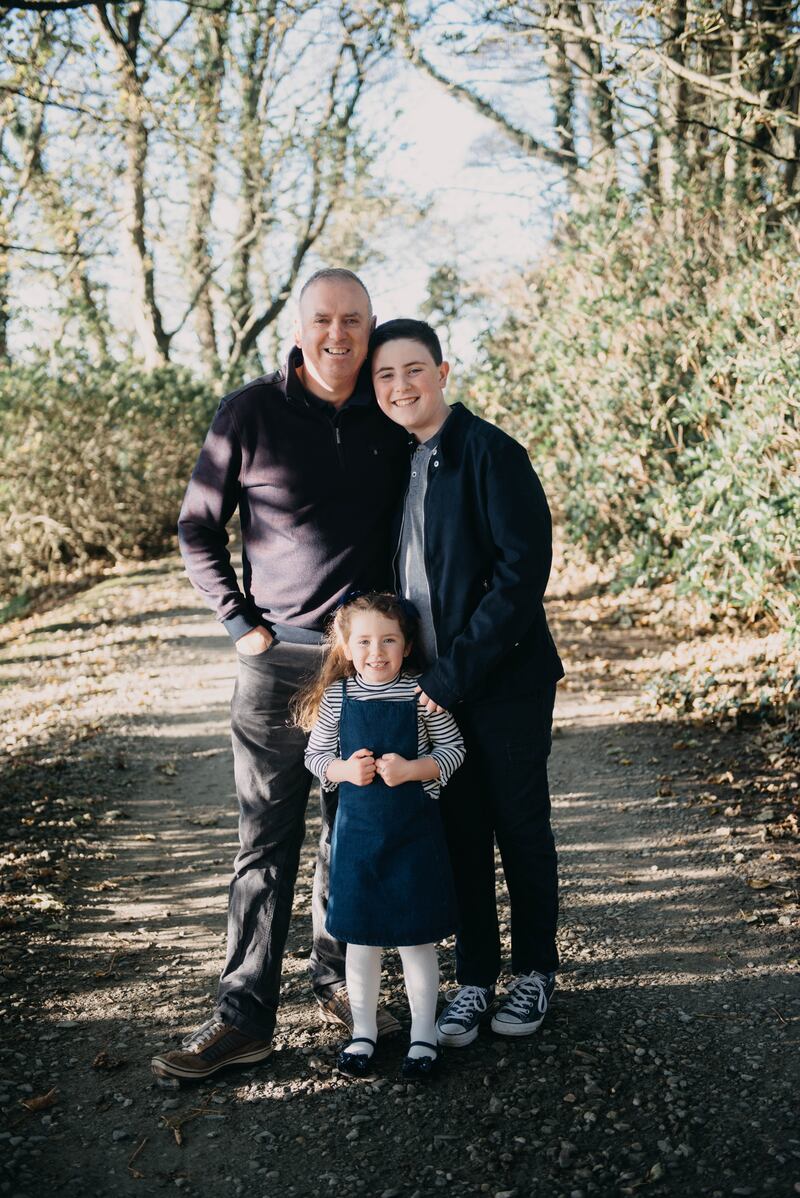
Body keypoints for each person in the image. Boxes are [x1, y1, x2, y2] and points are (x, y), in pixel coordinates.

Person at [150, 269, 408, 1084]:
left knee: (352, 828)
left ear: (371, 331)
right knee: (265, 841)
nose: (340, 336)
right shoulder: (250, 411)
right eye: (325, 321)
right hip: (277, 662)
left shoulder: (388, 413)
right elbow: (197, 524)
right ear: (299, 329)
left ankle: (340, 983)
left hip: (360, 665)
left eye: (355, 323)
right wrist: (241, 625)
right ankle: (243, 1016)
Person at [369, 318, 564, 1048]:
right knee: (460, 835)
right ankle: (474, 981)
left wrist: (453, 674)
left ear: (443, 373)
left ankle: (535, 972)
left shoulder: (491, 452)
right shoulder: (405, 462)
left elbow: (521, 578)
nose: (400, 386)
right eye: (385, 377)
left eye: (413, 370)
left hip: (503, 683)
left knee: (518, 827)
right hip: (434, 686)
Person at [295, 591, 465, 1079]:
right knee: (361, 941)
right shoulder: (338, 697)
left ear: (407, 646)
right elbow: (315, 756)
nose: (377, 651)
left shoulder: (420, 694)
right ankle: (363, 1032)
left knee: (417, 940)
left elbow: (454, 750)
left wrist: (413, 770)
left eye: (389, 640)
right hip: (358, 841)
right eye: (365, 641)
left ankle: (423, 1035)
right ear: (346, 647)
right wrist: (344, 771)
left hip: (413, 837)